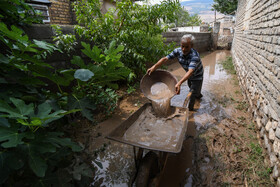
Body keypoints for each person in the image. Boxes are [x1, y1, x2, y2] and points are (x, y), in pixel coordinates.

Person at [147, 34, 204, 111]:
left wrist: (179, 83)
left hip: (197, 75)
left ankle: (190, 111)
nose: (183, 49)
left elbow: (190, 72)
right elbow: (165, 59)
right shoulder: (178, 51)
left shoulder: (194, 56)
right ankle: (199, 95)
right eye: (182, 46)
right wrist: (154, 67)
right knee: (191, 87)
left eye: (187, 47)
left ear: (192, 46)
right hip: (189, 75)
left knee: (192, 94)